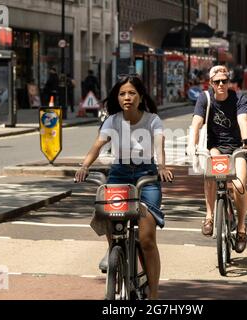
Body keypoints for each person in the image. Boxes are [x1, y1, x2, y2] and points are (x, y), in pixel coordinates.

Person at [75, 75, 174, 299]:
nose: (127, 97)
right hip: (119, 173)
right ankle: (115, 251)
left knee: (147, 238)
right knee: (108, 216)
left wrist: (162, 167)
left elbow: (159, 144)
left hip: (147, 175)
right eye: (122, 94)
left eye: (131, 93)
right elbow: (98, 145)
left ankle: (154, 294)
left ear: (140, 97)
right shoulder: (112, 120)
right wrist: (84, 167)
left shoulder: (152, 120)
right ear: (117, 98)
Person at [188, 65, 247, 254]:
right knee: (211, 174)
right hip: (216, 147)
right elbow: (196, 124)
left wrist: (246, 140)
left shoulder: (239, 98)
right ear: (210, 83)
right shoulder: (205, 98)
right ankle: (210, 216)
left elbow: (243, 120)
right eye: (217, 81)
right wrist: (191, 146)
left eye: (224, 81)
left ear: (229, 82)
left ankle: (241, 229)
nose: (221, 84)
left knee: (238, 185)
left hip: (237, 148)